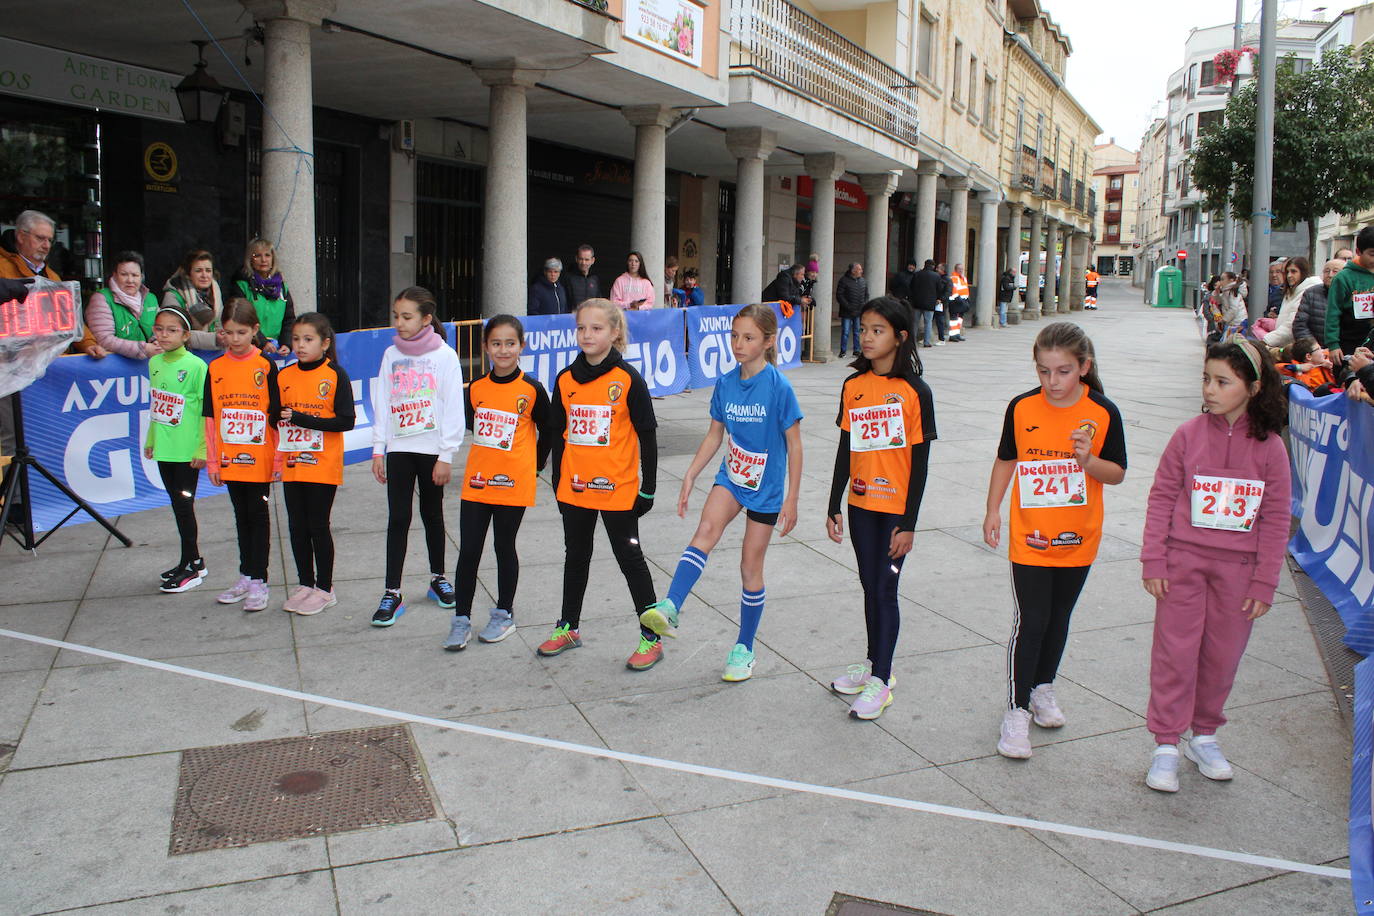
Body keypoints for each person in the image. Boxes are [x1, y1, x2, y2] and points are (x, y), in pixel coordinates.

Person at [1140, 338, 1290, 793]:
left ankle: (1204, 735)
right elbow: (1162, 496)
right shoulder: (1187, 435)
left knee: (1222, 657)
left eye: (1222, 381)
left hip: (1239, 573)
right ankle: (1166, 742)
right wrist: (1155, 558)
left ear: (1253, 387)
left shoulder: (1271, 448)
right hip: (1183, 563)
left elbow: (1277, 516)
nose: (1209, 388)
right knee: (1174, 653)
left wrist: (1265, 581)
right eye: (1206, 378)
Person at [982, 322, 1128, 759]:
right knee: (1032, 620)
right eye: (1044, 371)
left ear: (1084, 367)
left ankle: (1044, 687)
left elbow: (1117, 473)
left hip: (1078, 537)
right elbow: (1006, 459)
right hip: (1030, 537)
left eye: (1063, 371)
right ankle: (1017, 710)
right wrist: (992, 509)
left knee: (1059, 619)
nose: (1052, 382)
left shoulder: (1103, 413)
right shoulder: (1022, 407)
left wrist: (1088, 460)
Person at [639, 304, 803, 681]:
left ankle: (744, 647)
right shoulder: (726, 383)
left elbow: (794, 445)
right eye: (734, 336)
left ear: (767, 341)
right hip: (732, 477)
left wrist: (791, 499)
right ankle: (671, 605)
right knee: (705, 532)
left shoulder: (779, 387)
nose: (739, 344)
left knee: (749, 567)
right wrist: (691, 474)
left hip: (766, 488)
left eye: (748, 337)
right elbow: (716, 434)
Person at [825, 296, 937, 720]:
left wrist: (908, 524)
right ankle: (875, 666)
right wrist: (834, 501)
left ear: (900, 337)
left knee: (885, 590)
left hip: (895, 510)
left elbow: (921, 465)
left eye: (878, 330)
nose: (868, 337)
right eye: (866, 329)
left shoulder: (915, 392)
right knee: (870, 585)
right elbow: (845, 446)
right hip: (860, 504)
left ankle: (882, 680)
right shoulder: (853, 386)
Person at [538, 298, 662, 669]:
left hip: (618, 490)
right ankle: (568, 627)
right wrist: (558, 482)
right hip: (575, 490)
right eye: (581, 328)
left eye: (596, 328)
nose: (587, 335)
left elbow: (648, 436)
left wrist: (648, 488)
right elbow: (557, 435)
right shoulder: (564, 379)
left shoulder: (627, 379)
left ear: (615, 333)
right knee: (575, 557)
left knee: (630, 560)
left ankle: (651, 637)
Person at [444, 315, 554, 650]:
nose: (503, 350)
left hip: (513, 484)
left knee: (504, 547)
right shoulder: (476, 388)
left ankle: (504, 613)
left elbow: (549, 430)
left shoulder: (532, 390)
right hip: (477, 483)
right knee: (470, 551)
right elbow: (467, 426)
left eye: (510, 343)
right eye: (496, 343)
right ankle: (460, 619)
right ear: (485, 348)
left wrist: (533, 466)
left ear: (522, 346)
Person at [370, 287, 466, 627]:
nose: (400, 323)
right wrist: (378, 448)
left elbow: (455, 406)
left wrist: (446, 454)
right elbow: (382, 402)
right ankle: (391, 592)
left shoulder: (445, 356)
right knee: (398, 518)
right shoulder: (390, 355)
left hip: (432, 449)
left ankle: (438, 577)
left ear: (426, 318)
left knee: (432, 514)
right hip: (399, 448)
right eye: (396, 316)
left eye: (407, 317)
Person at [204, 299, 281, 613]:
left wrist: (277, 458)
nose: (235, 339)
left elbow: (275, 416)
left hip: (260, 457)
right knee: (240, 517)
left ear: (255, 331)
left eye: (241, 332)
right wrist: (212, 459)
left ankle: (259, 579)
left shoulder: (265, 366)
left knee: (258, 517)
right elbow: (210, 417)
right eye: (229, 333)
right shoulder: (215, 368)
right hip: (230, 458)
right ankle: (246, 575)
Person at [277, 312, 355, 616]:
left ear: (325, 343)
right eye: (296, 339)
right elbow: (276, 415)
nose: (300, 345)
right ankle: (305, 583)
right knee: (297, 526)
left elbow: (345, 421)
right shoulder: (284, 376)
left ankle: (325, 587)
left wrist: (302, 419)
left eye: (307, 339)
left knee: (318, 525)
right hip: (292, 462)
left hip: (322, 465)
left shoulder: (335, 375)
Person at [144, 305, 210, 594]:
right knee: (176, 504)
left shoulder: (196, 366)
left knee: (185, 507)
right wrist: (151, 439)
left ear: (186, 335)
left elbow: (205, 412)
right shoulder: (155, 363)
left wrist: (202, 449)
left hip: (186, 450)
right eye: (159, 329)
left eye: (172, 330)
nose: (164, 335)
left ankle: (191, 566)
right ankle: (193, 559)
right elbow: (157, 405)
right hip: (164, 447)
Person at [0, 210, 104, 357]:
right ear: (21, 236)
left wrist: (88, 343)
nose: (47, 246)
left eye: (50, 240)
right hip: (11, 363)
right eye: (41, 238)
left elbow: (69, 317)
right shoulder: (2, 269)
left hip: (52, 361)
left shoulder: (52, 276)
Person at [85, 251, 161, 359]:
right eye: (124, 274)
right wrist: (143, 349)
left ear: (142, 276)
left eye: (135, 275)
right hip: (114, 370)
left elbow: (160, 329)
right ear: (114, 275)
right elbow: (105, 340)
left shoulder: (151, 298)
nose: (130, 280)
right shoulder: (101, 299)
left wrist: (157, 342)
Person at [232, 238, 295, 355]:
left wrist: (286, 343)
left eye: (267, 255)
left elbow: (289, 319)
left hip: (277, 349)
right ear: (250, 259)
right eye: (257, 255)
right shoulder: (242, 286)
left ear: (273, 259)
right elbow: (241, 318)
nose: (263, 260)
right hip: (249, 347)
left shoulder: (282, 287)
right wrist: (262, 342)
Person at [1326, 225, 1374, 364]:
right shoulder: (1343, 278)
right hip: (1349, 341)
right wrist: (1333, 344)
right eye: (1372, 254)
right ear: (1358, 251)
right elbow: (1333, 313)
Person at [162, 249, 225, 351]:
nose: (204, 275)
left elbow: (219, 324)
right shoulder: (173, 295)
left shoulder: (215, 292)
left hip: (214, 352)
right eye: (198, 270)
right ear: (188, 274)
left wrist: (223, 336)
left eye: (208, 270)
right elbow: (174, 333)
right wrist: (214, 339)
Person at [1261, 257, 1319, 350]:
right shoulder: (1292, 290)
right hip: (1289, 344)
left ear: (1303, 272)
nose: (1289, 275)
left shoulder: (1306, 291)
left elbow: (1291, 325)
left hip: (1301, 347)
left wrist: (1265, 341)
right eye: (1287, 272)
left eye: (1293, 271)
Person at [1292, 258, 1344, 347]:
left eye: (1335, 271)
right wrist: (1314, 348)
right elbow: (1300, 325)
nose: (1330, 275)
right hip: (1316, 350)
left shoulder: (1352, 294)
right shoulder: (1311, 293)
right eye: (1327, 271)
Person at [835, 263, 868, 357]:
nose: (861, 271)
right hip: (847, 311)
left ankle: (857, 350)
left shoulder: (863, 281)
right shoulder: (844, 280)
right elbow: (839, 295)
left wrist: (864, 304)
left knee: (857, 331)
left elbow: (866, 294)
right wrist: (848, 306)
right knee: (845, 331)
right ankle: (843, 351)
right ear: (853, 271)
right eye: (859, 269)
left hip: (858, 311)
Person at [909, 259, 943, 348]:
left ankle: (912, 342)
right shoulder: (936, 276)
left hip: (917, 303)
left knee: (915, 323)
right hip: (930, 303)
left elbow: (911, 287)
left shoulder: (917, 274)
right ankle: (926, 342)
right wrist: (938, 298)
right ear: (932, 266)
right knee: (928, 323)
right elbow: (939, 289)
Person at [947, 263, 969, 341]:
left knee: (959, 319)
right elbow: (954, 290)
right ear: (955, 269)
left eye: (962, 269)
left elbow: (965, 289)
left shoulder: (963, 278)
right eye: (959, 269)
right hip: (955, 301)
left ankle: (957, 334)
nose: (961, 270)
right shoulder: (953, 278)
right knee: (954, 320)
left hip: (963, 301)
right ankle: (952, 335)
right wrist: (958, 299)